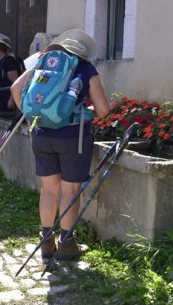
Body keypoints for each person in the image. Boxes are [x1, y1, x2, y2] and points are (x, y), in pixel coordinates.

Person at [10, 29, 110, 260]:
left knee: (48, 190)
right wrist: (87, 111)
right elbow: (104, 110)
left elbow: (15, 88)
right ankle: (67, 244)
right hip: (73, 136)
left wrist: (31, 116)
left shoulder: (43, 63)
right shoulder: (85, 69)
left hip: (42, 134)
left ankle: (46, 241)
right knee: (70, 190)